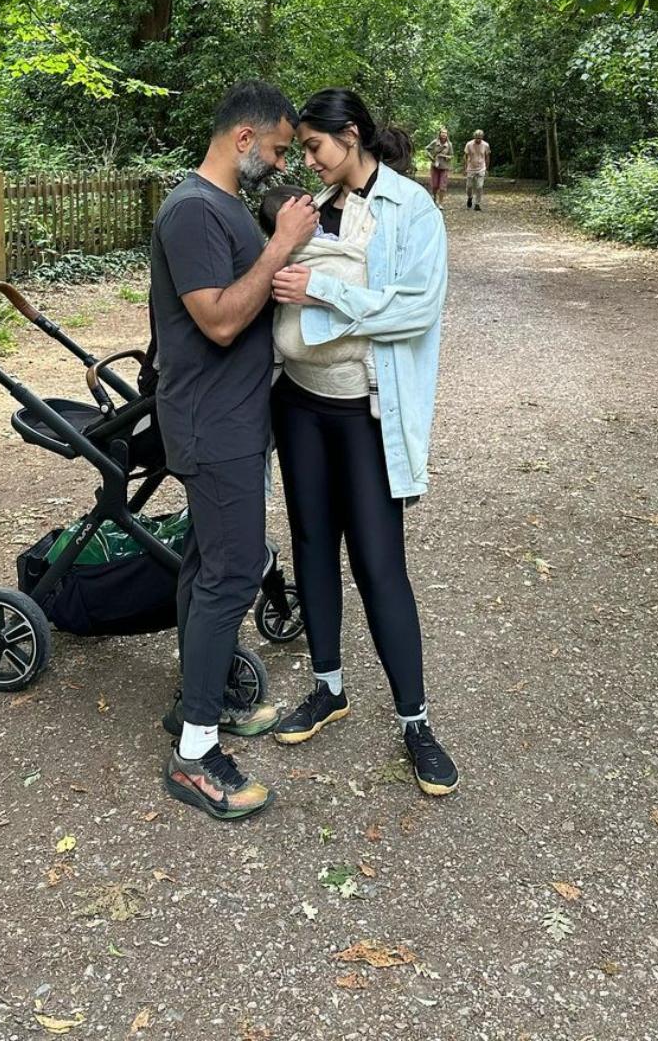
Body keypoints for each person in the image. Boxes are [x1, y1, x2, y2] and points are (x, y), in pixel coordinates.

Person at [268, 88, 459, 796]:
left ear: (351, 137)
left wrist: (326, 294)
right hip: (297, 401)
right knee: (312, 544)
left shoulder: (414, 210)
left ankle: (416, 721)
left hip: (365, 410)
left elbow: (416, 309)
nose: (309, 160)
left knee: (380, 564)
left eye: (315, 147)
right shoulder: (308, 211)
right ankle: (328, 687)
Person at [150, 81, 318, 820]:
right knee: (230, 575)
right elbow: (218, 321)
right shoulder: (191, 209)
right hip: (211, 424)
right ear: (243, 139)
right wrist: (280, 246)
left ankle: (203, 702)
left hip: (234, 419)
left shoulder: (219, 208)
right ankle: (193, 756)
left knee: (203, 566)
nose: (281, 164)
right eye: (279, 149)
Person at [258, 184, 378, 417]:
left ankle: (276, 362)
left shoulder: (273, 250)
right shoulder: (321, 236)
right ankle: (375, 385)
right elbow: (348, 256)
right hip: (335, 369)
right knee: (371, 346)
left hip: (291, 347)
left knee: (277, 326)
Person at [425, 126, 454, 207]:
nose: (444, 135)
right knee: (434, 185)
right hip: (435, 166)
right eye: (442, 133)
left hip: (444, 167)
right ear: (440, 134)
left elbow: (451, 155)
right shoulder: (435, 142)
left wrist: (445, 157)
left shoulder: (449, 145)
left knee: (442, 186)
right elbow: (426, 149)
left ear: (447, 135)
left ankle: (440, 203)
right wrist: (431, 157)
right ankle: (434, 198)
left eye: (445, 133)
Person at [464, 129, 490, 211]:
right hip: (471, 168)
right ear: (474, 137)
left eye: (480, 138)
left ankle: (477, 204)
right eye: (477, 138)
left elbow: (487, 156)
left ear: (482, 137)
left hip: (481, 168)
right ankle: (470, 197)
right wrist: (465, 167)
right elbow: (465, 156)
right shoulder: (469, 144)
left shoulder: (486, 145)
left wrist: (487, 168)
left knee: (479, 186)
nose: (478, 139)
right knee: (469, 186)